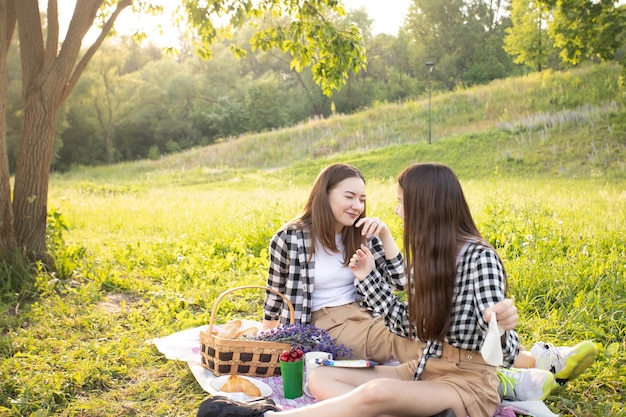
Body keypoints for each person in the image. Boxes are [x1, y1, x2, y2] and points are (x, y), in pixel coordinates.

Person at [198, 163, 596, 417]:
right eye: (350, 196)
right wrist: (272, 336)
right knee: (321, 379)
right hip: (422, 362)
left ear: (425, 206)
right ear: (325, 195)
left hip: (463, 374)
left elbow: (412, 306)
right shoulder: (428, 254)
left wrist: (502, 324)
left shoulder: (475, 258)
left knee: (375, 390)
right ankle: (437, 401)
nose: (366, 207)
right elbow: (410, 320)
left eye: (400, 203)